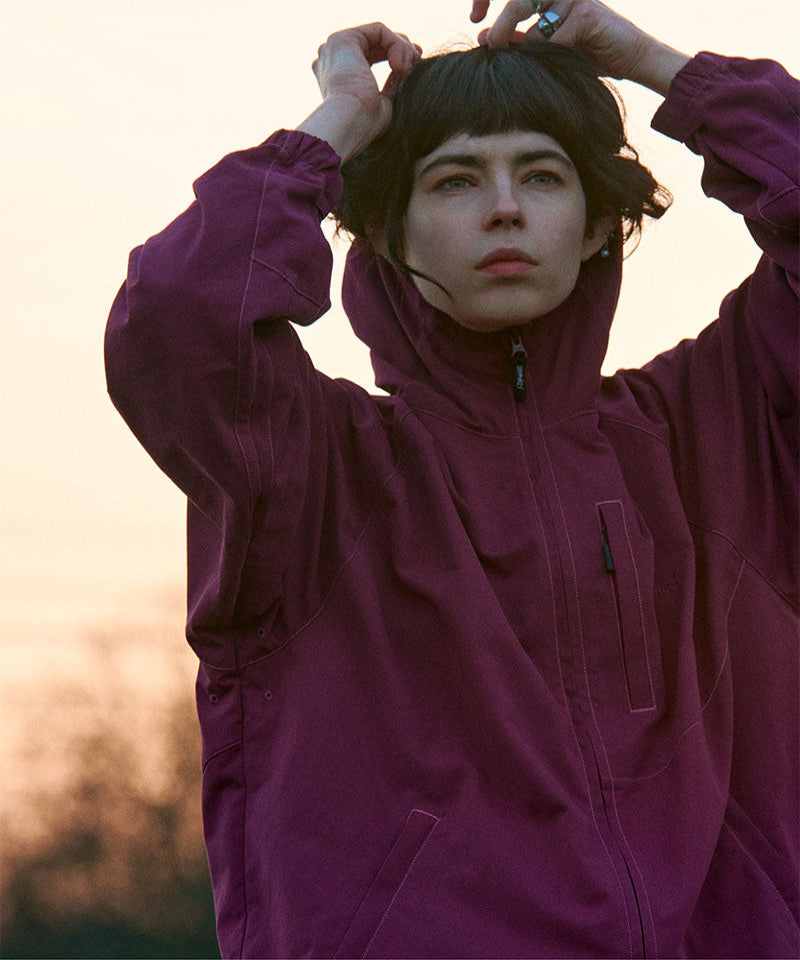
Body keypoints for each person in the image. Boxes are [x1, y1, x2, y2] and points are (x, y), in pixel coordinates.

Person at [105, 0, 799, 956]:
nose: (504, 206)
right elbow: (177, 320)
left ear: (600, 223)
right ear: (387, 233)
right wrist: (337, 123)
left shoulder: (709, 430)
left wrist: (647, 61)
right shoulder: (316, 471)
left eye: (542, 174)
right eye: (456, 179)